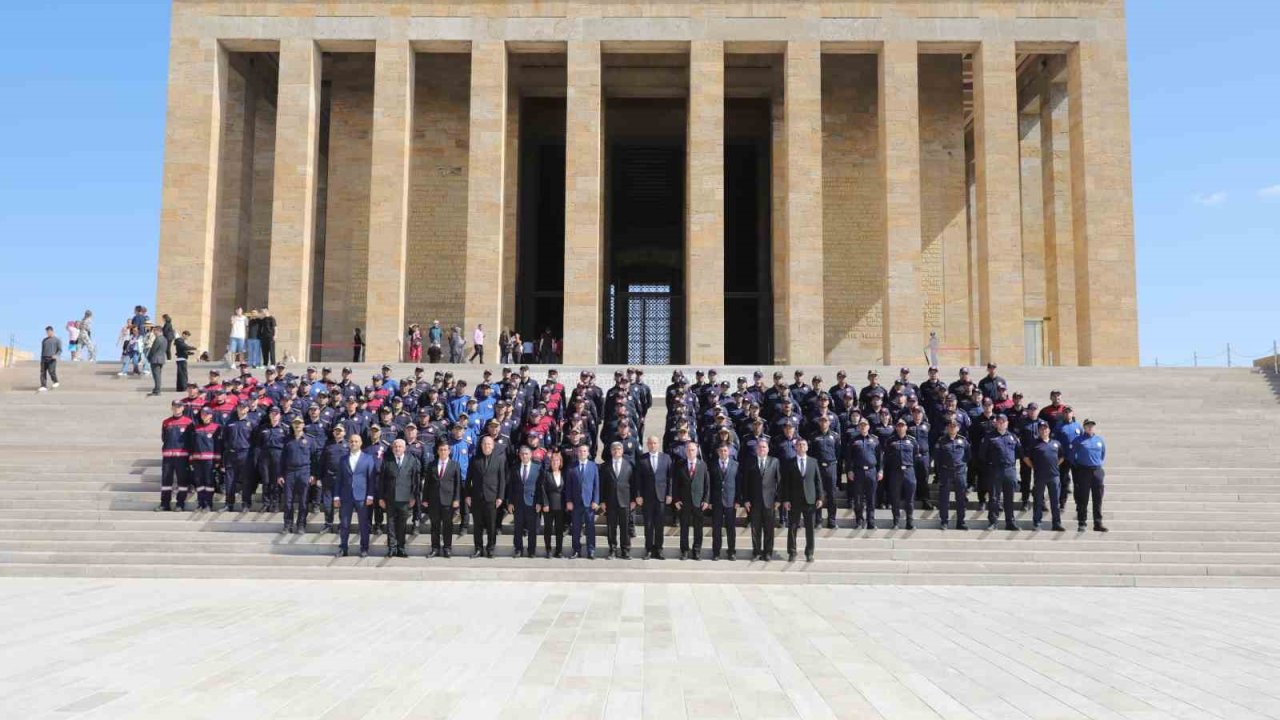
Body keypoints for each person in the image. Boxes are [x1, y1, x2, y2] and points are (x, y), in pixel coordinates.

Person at [333, 433, 377, 557]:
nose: (353, 443)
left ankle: (364, 548)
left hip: (362, 497)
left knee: (363, 524)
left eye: (356, 441)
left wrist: (370, 496)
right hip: (346, 496)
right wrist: (336, 496)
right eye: (351, 441)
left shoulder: (368, 458)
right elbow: (339, 479)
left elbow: (371, 479)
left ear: (361, 443)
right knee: (344, 524)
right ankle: (343, 548)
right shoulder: (343, 459)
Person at [378, 438, 421, 558]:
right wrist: (381, 497)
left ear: (405, 448)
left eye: (400, 446)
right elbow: (381, 481)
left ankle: (401, 548)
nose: (397, 448)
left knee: (402, 525)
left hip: (405, 498)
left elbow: (415, 481)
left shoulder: (412, 460)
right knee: (390, 524)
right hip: (390, 498)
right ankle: (392, 548)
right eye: (395, 446)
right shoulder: (387, 461)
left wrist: (413, 497)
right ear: (392, 448)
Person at [782, 438, 823, 562]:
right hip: (794, 500)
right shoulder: (790, 462)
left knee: (810, 528)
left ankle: (809, 553)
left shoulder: (813, 462)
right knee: (792, 527)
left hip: (810, 499)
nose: (801, 446)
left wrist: (820, 497)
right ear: (795, 447)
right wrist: (786, 499)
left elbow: (818, 481)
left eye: (803, 444)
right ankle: (792, 552)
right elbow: (786, 483)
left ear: (807, 447)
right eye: (799, 445)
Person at [467, 435, 507, 558]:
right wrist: (468, 495)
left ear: (493, 446)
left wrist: (500, 497)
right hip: (477, 497)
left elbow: (502, 480)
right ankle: (478, 549)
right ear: (481, 445)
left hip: (492, 498)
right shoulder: (474, 459)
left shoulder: (499, 460)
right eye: (484, 444)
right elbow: (468, 479)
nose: (487, 446)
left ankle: (490, 549)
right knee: (477, 526)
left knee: (491, 526)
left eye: (489, 444)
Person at [423, 440, 462, 557]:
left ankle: (447, 548)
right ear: (437, 451)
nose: (443, 452)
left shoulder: (455, 465)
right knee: (434, 526)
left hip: (448, 501)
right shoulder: (431, 465)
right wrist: (425, 499)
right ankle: (435, 548)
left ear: (449, 451)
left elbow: (458, 484)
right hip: (434, 500)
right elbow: (427, 484)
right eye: (441, 450)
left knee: (447, 526)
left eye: (445, 450)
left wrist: (456, 499)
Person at [984, 414, 1023, 531]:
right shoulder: (989, 437)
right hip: (995, 470)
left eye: (1003, 421)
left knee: (1009, 498)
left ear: (1007, 423)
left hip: (1010, 470)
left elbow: (1019, 452)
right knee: (994, 498)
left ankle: (1010, 522)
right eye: (999, 421)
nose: (1001, 423)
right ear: (996, 423)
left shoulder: (1013, 437)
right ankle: (993, 522)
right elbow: (983, 454)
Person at [1025, 422, 1066, 531]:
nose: (1044, 431)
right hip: (1040, 476)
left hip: (1054, 476)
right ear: (1039, 431)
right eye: (1041, 429)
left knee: (1055, 501)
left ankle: (1056, 523)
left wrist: (1054, 465)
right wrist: (1034, 467)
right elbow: (1026, 458)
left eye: (1046, 429)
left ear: (1049, 430)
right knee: (1038, 500)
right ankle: (1037, 523)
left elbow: (1061, 457)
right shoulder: (1034, 443)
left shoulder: (1056, 443)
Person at [883, 419, 923, 530]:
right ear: (896, 428)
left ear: (906, 428)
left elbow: (916, 456)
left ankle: (909, 522)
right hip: (895, 472)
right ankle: (896, 521)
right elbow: (886, 456)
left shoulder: (912, 441)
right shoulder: (890, 441)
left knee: (909, 499)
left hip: (909, 471)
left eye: (903, 426)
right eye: (899, 426)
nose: (901, 428)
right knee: (895, 498)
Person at [744, 440, 780, 560]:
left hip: (770, 502)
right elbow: (746, 482)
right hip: (754, 502)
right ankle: (757, 552)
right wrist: (746, 500)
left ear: (768, 449)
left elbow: (779, 482)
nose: (762, 449)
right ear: (756, 450)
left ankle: (768, 553)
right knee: (755, 529)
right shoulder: (750, 462)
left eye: (764, 447)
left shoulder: (774, 461)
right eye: (759, 447)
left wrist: (778, 499)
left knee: (769, 529)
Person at [279, 417, 317, 534]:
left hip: (304, 472)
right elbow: (282, 459)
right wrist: (280, 475)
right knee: (288, 501)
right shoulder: (286, 440)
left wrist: (314, 474)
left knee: (303, 501)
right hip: (289, 472)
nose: (297, 425)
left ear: (303, 425)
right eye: (295, 423)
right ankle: (287, 525)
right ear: (292, 425)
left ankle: (301, 525)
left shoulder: (310, 440)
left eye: (299, 423)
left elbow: (315, 458)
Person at [1070, 419, 1108, 532]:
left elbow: (1102, 454)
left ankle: (1098, 523)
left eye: (1092, 425)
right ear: (1084, 427)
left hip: (1097, 471)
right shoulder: (1078, 440)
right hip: (1084, 471)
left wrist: (1096, 464)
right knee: (1083, 498)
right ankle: (1082, 522)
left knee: (1098, 498)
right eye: (1088, 425)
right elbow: (1072, 456)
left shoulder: (1099, 440)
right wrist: (1079, 467)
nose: (1090, 427)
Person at [933, 420, 971, 530]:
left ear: (958, 428)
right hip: (946, 472)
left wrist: (962, 466)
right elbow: (937, 457)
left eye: (954, 426)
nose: (952, 428)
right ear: (947, 428)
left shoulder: (963, 441)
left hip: (960, 472)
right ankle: (944, 522)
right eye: (950, 426)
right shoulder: (941, 441)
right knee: (944, 498)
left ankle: (961, 522)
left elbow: (968, 456)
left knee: (961, 498)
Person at [601, 441, 636, 559]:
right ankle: (612, 549)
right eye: (614, 449)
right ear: (611, 451)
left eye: (619, 449)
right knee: (611, 527)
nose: (616, 451)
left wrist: (633, 500)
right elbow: (602, 485)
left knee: (625, 527)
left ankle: (625, 550)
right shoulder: (605, 466)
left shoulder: (629, 465)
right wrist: (602, 501)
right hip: (610, 501)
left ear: (622, 451)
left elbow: (633, 484)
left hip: (625, 501)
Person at [158, 400, 193, 511]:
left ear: (183, 408)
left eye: (179, 406)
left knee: (182, 481)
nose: (177, 408)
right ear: (171, 408)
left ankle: (180, 503)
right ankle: (165, 504)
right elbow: (164, 438)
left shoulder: (189, 422)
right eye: (175, 406)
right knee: (166, 481)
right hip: (168, 456)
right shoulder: (166, 422)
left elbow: (191, 440)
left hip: (182, 457)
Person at [567, 443, 600, 559]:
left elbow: (596, 485)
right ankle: (576, 550)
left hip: (589, 503)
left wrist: (596, 500)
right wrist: (569, 500)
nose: (582, 453)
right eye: (580, 451)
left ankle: (591, 550)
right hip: (575, 503)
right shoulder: (571, 467)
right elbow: (568, 486)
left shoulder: (593, 466)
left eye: (584, 451)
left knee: (590, 528)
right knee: (576, 528)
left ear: (588, 453)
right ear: (577, 453)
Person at [508, 445, 542, 558]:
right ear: (519, 455)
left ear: (531, 455)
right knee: (518, 527)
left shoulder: (537, 468)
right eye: (522, 454)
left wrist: (539, 502)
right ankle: (518, 549)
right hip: (518, 502)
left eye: (526, 454)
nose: (524, 456)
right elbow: (511, 486)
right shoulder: (514, 468)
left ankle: (531, 550)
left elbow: (540, 487)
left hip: (532, 502)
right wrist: (510, 502)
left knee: (532, 528)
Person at [708, 443, 741, 561]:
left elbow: (738, 484)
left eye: (725, 451)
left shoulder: (736, 465)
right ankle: (716, 552)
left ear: (729, 452)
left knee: (731, 528)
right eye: (721, 451)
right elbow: (709, 485)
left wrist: (738, 500)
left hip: (731, 501)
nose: (723, 453)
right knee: (716, 528)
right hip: (716, 501)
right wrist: (709, 500)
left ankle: (731, 552)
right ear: (718, 452)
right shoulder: (712, 465)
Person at [537, 450, 568, 557]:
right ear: (550, 462)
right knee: (548, 529)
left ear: (560, 462)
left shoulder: (564, 474)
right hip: (548, 507)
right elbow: (543, 489)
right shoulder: (546, 473)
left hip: (561, 507)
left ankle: (559, 551)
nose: (555, 462)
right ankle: (548, 550)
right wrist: (545, 504)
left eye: (557, 460)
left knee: (559, 530)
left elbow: (566, 490)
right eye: (553, 461)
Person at [145, 326, 168, 396]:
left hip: (155, 359)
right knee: (158, 375)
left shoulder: (158, 339)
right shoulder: (164, 339)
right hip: (161, 359)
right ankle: (156, 389)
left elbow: (153, 349)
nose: (154, 332)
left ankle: (157, 390)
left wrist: (148, 357)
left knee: (156, 376)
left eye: (155, 331)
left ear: (158, 331)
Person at [38, 326, 61, 392]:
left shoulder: (57, 340)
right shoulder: (44, 340)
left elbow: (60, 350)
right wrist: (42, 358)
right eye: (47, 332)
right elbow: (43, 350)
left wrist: (56, 355)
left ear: (52, 331)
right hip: (44, 358)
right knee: (42, 372)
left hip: (52, 358)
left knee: (51, 371)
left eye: (49, 331)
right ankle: (43, 386)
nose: (48, 333)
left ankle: (56, 381)